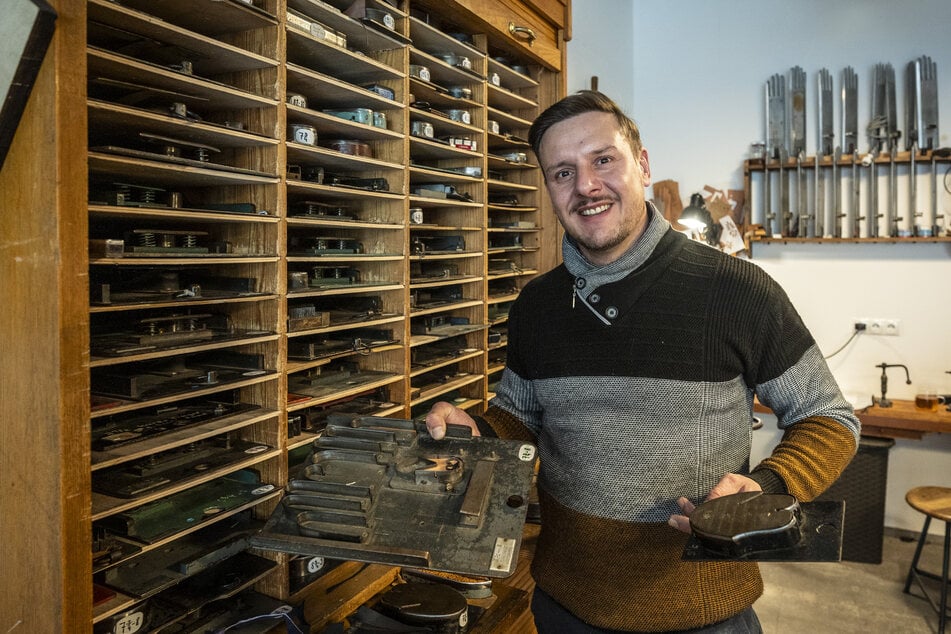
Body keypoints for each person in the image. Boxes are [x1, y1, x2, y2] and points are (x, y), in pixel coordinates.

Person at [425, 90, 860, 633]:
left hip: (703, 613)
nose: (585, 185)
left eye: (603, 160)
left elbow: (829, 418)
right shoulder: (537, 306)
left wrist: (768, 489)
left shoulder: (735, 290)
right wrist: (480, 427)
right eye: (562, 172)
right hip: (567, 605)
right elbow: (520, 419)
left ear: (644, 165)